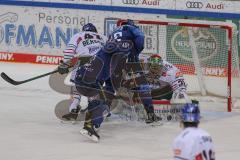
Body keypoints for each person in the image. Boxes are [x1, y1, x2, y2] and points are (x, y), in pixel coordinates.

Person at [75, 19, 145, 142]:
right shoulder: (128, 37)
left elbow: (111, 83)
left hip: (82, 78)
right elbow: (139, 39)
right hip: (87, 80)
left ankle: (94, 123)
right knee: (101, 101)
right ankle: (89, 125)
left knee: (104, 101)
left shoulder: (112, 44)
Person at [57, 23, 107, 120]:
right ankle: (96, 108)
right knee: (95, 85)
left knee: (75, 84)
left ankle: (74, 108)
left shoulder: (78, 35)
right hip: (101, 65)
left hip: (83, 64)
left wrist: (65, 64)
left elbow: (69, 50)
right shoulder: (103, 37)